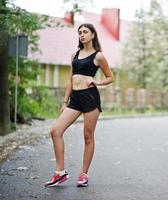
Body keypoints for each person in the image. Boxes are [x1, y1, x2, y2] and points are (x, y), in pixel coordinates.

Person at [45, 23, 113, 187]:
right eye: (80, 32)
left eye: (85, 32)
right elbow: (70, 80)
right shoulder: (75, 55)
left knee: (88, 137)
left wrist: (97, 81)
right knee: (55, 131)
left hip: (90, 98)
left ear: (93, 35)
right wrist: (64, 101)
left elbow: (110, 77)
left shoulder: (98, 56)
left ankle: (83, 174)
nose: (82, 35)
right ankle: (60, 172)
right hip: (75, 99)